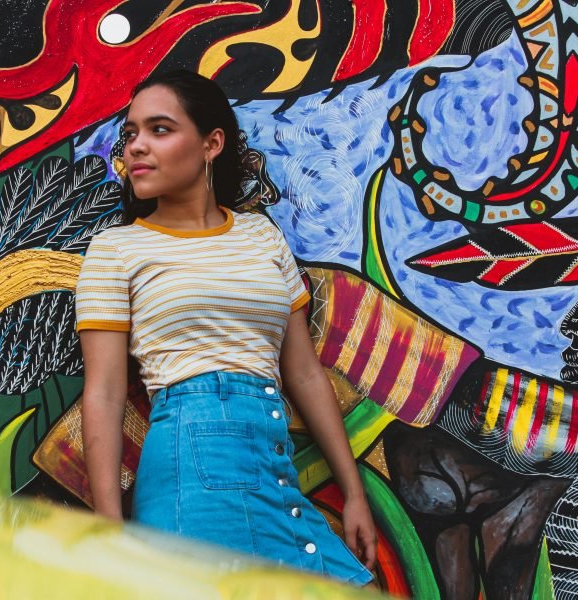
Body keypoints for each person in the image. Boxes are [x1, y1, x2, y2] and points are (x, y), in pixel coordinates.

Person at [75, 70, 377, 586]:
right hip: (188, 476)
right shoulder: (116, 249)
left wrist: (354, 494)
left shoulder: (262, 235)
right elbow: (103, 392)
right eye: (130, 133)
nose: (136, 147)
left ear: (211, 143)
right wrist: (109, 529)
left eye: (159, 129)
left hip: (271, 464)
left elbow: (304, 373)